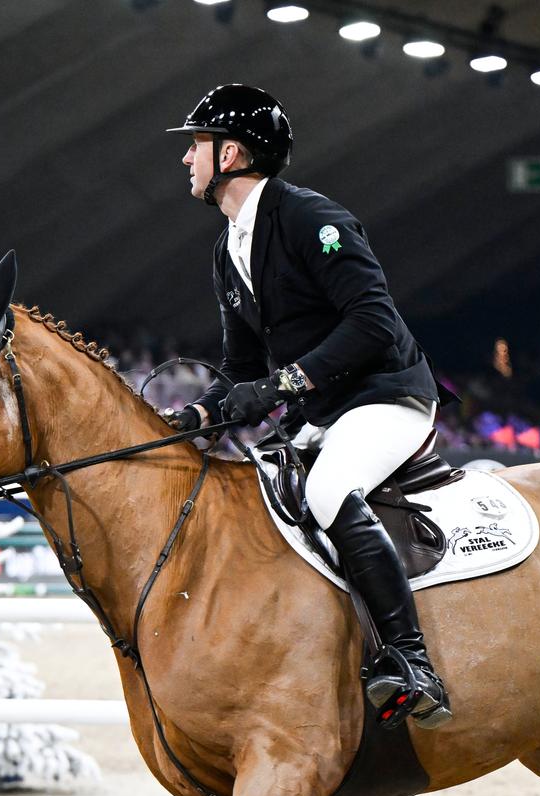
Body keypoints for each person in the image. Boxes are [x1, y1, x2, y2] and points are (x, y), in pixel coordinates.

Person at [168, 83, 452, 728]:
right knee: (253, 499)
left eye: (196, 145)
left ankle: (411, 661)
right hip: (323, 412)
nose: (187, 158)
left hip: (387, 396)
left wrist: (283, 384)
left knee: (326, 491)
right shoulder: (227, 248)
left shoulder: (309, 219)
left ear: (231, 154)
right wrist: (197, 415)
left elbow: (373, 321)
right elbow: (241, 367)